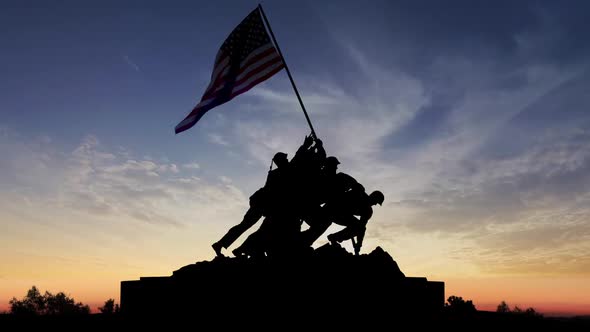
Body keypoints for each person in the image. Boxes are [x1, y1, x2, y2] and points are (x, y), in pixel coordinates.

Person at [211, 152, 291, 257]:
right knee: (245, 225)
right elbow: (295, 161)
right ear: (280, 161)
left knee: (244, 225)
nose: (287, 160)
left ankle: (221, 244)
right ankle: (223, 245)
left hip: (262, 203)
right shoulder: (278, 173)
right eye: (285, 159)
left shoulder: (276, 173)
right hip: (262, 204)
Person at [326, 190, 384, 255]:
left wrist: (359, 244)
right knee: (356, 225)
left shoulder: (368, 211)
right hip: (334, 209)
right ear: (372, 196)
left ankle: (334, 238)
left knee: (359, 228)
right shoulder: (359, 194)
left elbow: (361, 228)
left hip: (344, 216)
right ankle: (335, 237)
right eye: (376, 201)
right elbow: (341, 197)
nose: (375, 204)